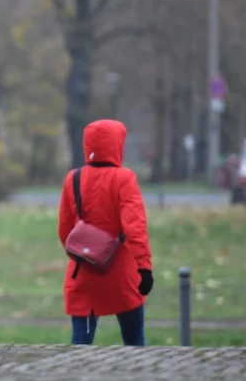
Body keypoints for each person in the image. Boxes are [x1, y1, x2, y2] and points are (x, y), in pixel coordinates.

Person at [58, 119, 154, 346]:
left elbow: (65, 230)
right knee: (134, 342)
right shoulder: (124, 178)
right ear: (117, 144)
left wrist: (85, 253)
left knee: (81, 343)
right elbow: (135, 227)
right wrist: (144, 266)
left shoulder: (73, 178)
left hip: (84, 275)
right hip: (121, 276)